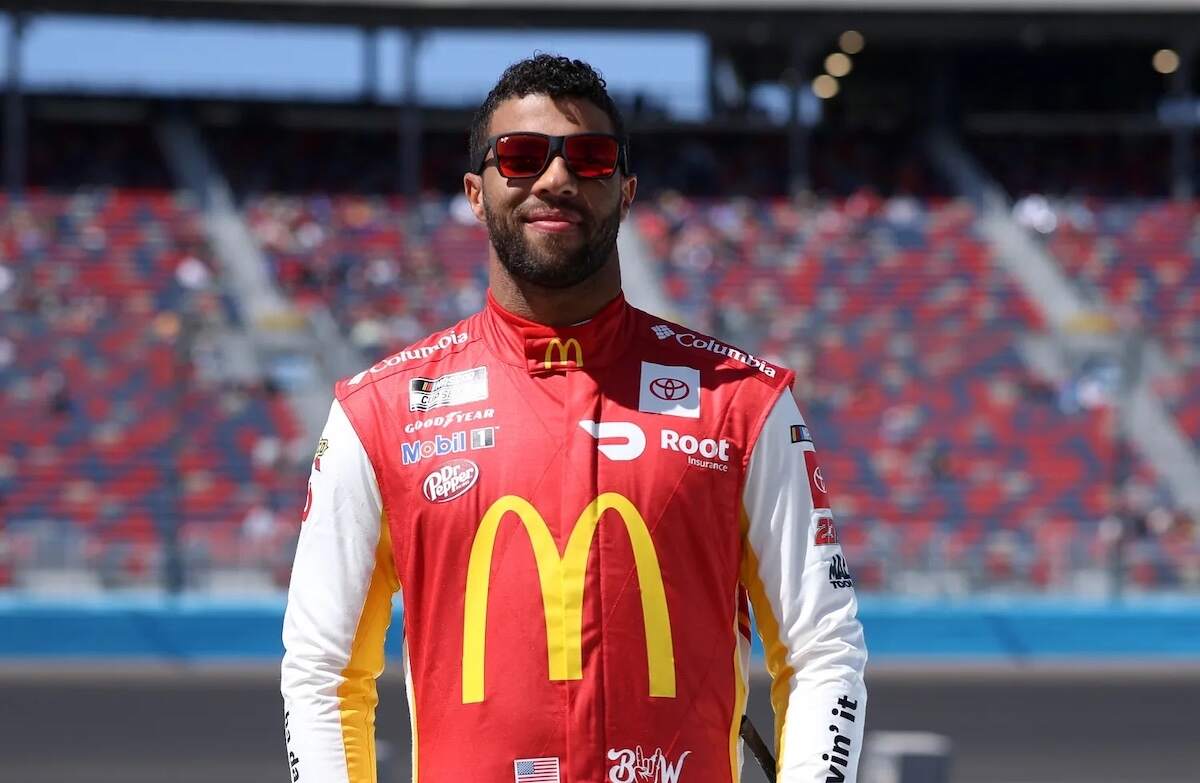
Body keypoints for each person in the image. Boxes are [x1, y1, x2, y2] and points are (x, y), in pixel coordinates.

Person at [281, 54, 867, 783]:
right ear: (475, 190)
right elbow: (323, 672)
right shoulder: (378, 413)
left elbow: (823, 650)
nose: (555, 178)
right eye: (522, 157)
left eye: (588, 158)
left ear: (625, 191)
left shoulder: (744, 402)